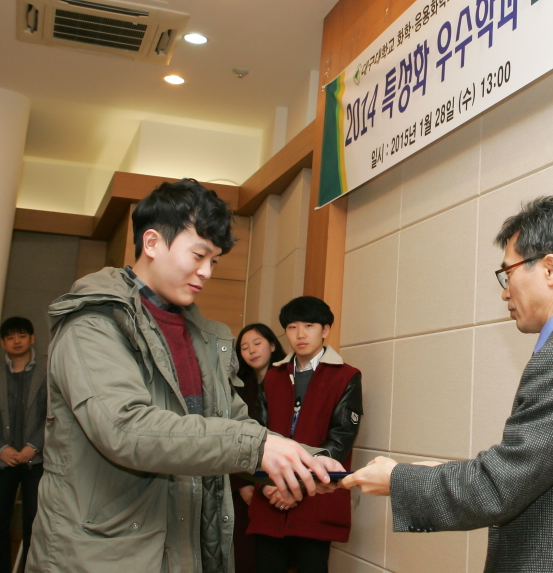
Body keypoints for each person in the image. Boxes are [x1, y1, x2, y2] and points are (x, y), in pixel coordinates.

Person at [25, 179, 342, 573]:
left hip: (184, 542)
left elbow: (233, 423)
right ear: (152, 243)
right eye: (198, 255)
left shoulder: (205, 337)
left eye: (214, 261)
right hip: (104, 551)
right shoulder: (92, 324)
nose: (206, 272)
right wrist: (257, 446)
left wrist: (308, 460)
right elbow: (126, 429)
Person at [343, 196, 553, 572]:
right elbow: (534, 470)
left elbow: (497, 488)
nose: (505, 291)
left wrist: (398, 480)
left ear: (550, 269)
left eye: (508, 273)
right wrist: (430, 474)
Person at [247, 297, 362, 573]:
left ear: (325, 330)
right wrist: (268, 486)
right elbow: (255, 435)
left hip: (315, 501)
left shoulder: (346, 376)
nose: (300, 334)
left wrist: (294, 487)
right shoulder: (273, 377)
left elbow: (340, 441)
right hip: (270, 496)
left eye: (309, 326)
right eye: (292, 327)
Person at [0, 316, 47, 573]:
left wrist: (33, 447)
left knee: (34, 523)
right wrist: (1, 450)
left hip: (37, 461)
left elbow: (55, 414)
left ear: (32, 338)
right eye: (10, 337)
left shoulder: (48, 370)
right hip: (0, 462)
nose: (16, 341)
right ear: (3, 343)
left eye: (22, 336)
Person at [230, 324, 286, 573]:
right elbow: (230, 438)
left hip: (282, 481)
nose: (251, 350)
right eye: (244, 347)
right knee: (245, 553)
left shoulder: (290, 381)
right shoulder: (238, 390)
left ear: (272, 345)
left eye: (257, 343)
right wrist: (241, 483)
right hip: (244, 478)